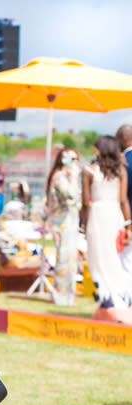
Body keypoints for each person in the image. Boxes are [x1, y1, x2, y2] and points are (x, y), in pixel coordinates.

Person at [82, 135, 132, 324]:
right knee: (114, 259)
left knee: (98, 258)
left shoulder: (89, 171)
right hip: (116, 215)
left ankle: (108, 299)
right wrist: (128, 225)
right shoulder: (121, 171)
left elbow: (85, 203)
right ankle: (121, 300)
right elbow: (123, 201)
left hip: (98, 215)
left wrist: (84, 224)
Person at [45, 148, 81, 306]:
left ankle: (66, 296)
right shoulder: (60, 176)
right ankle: (61, 296)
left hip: (69, 222)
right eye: (73, 159)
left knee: (69, 260)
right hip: (62, 223)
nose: (76, 163)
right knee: (64, 261)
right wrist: (74, 177)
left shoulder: (63, 176)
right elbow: (70, 195)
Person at [115, 124, 132, 279]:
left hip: (127, 216)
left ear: (124, 139)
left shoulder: (123, 163)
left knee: (126, 261)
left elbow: (122, 196)